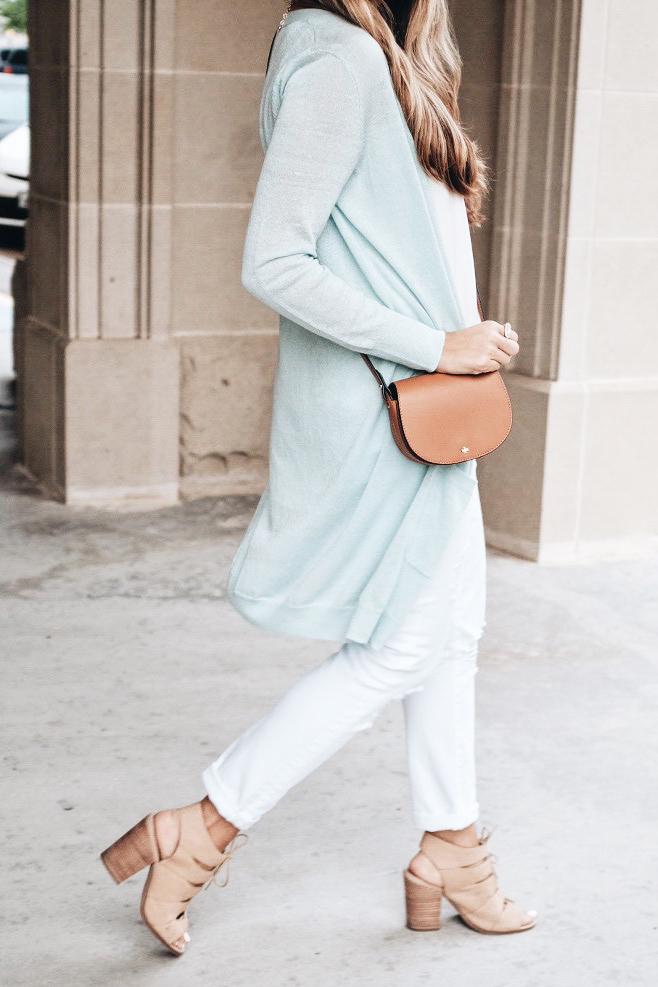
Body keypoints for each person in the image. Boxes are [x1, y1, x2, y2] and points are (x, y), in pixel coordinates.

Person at [100, 0, 536, 956]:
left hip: (428, 407)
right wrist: (438, 344)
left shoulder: (396, 62)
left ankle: (454, 845)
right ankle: (203, 825)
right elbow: (275, 259)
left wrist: (457, 344)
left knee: (452, 627)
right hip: (389, 411)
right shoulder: (338, 62)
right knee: (400, 646)